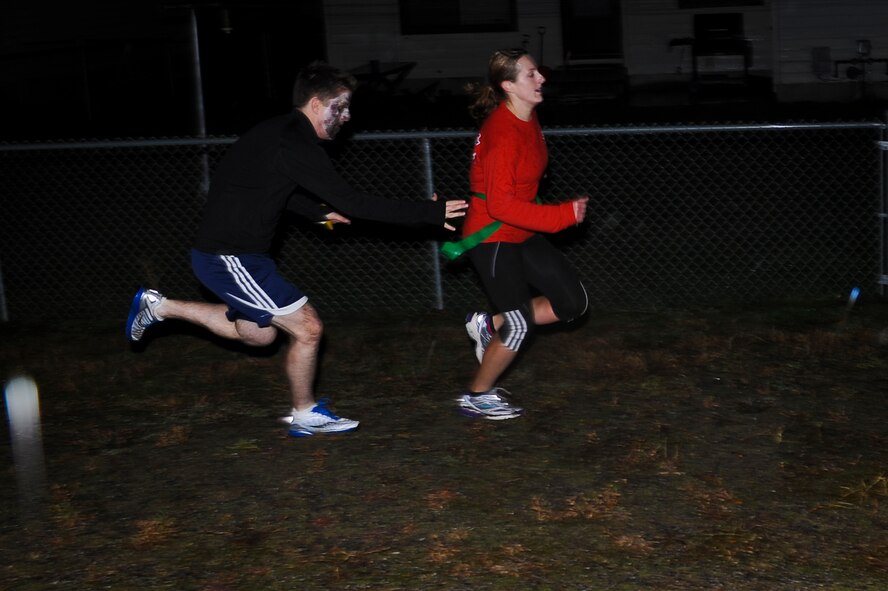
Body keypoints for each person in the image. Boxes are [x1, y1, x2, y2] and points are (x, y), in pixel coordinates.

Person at [125, 61, 467, 437]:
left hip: (232, 255)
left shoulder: (279, 135)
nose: (348, 115)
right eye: (342, 105)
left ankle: (159, 306)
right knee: (308, 328)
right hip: (230, 258)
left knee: (260, 335)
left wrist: (320, 214)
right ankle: (305, 413)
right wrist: (428, 212)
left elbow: (273, 189)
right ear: (318, 103)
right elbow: (354, 202)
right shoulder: (293, 142)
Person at [452, 48, 589, 420]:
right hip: (492, 235)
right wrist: (561, 216)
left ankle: (488, 325)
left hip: (521, 229)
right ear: (508, 85)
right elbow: (500, 206)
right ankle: (477, 395)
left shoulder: (527, 118)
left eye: (538, 72)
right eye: (531, 75)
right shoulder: (502, 134)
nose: (541, 78)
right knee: (518, 326)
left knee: (572, 303)